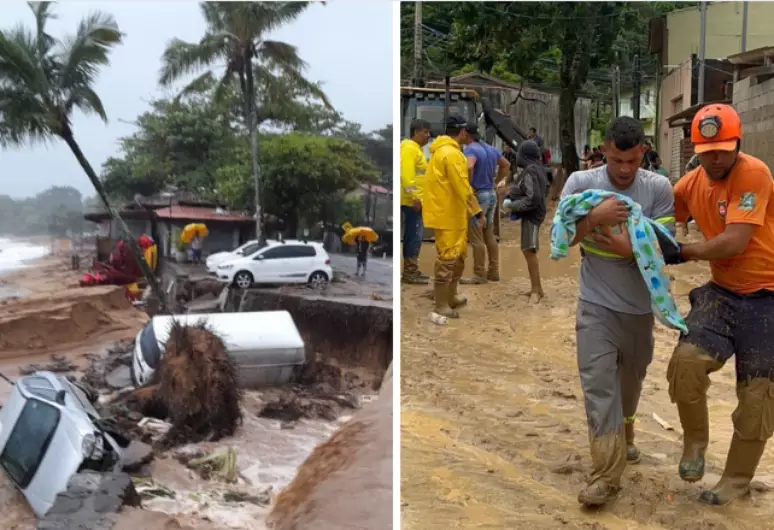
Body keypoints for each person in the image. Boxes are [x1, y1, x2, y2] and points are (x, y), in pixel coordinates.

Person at [560, 116, 675, 506]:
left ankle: (627, 432)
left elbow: (662, 252)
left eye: (632, 162)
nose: (624, 171)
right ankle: (605, 476)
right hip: (595, 304)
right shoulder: (581, 185)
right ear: (603, 151)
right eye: (616, 161)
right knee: (599, 387)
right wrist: (595, 218)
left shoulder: (658, 188)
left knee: (631, 381)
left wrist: (627, 248)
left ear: (643, 152)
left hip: (640, 310)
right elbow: (562, 237)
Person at [664, 103, 774, 506]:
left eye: (723, 149)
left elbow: (735, 241)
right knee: (686, 363)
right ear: (695, 148)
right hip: (723, 291)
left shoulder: (754, 174)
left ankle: (736, 479)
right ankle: (695, 441)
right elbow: (656, 217)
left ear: (737, 144)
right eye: (707, 150)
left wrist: (684, 251)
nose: (715, 158)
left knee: (758, 396)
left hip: (768, 298)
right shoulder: (689, 185)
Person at [422, 116, 483, 318]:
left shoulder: (440, 152)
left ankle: (451, 295)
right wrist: (477, 210)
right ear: (463, 132)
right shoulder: (452, 155)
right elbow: (462, 187)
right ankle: (441, 304)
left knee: (459, 256)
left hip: (449, 213)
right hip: (448, 214)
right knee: (448, 259)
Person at [460, 124, 510, 284]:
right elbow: (506, 165)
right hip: (491, 194)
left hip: (478, 196)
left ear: (466, 134)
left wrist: (469, 186)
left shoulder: (470, 149)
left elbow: (469, 166)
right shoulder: (491, 149)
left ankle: (479, 274)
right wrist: (496, 181)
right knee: (489, 234)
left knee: (476, 237)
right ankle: (493, 272)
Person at [498, 140, 548, 302]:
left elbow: (533, 197)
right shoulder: (536, 169)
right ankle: (537, 288)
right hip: (532, 212)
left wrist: (513, 206)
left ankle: (536, 290)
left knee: (529, 250)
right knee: (528, 250)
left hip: (532, 214)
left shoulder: (531, 171)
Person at [400, 119, 432, 284]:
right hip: (411, 201)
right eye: (425, 132)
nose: (428, 135)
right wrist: (414, 197)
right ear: (416, 132)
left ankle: (412, 269)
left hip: (416, 200)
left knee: (415, 236)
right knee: (414, 236)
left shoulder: (416, 150)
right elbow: (406, 176)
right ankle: (409, 272)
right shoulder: (409, 149)